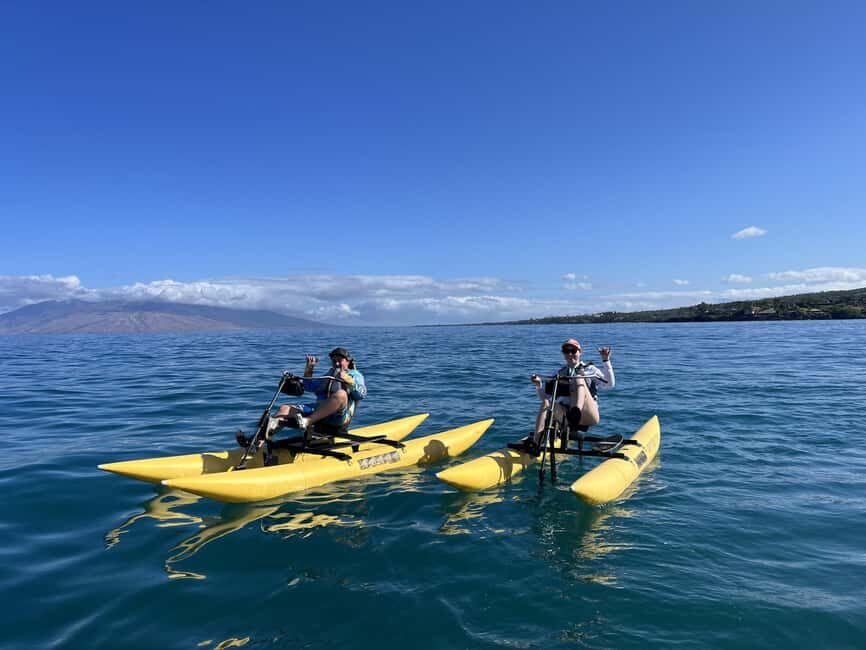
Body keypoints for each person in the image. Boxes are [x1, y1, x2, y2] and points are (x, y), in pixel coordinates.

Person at [236, 347, 367, 450]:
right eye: (334, 360)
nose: (337, 363)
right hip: (320, 411)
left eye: (340, 360)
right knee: (285, 409)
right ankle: (257, 440)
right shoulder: (330, 373)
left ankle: (307, 421)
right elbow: (309, 386)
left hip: (339, 417)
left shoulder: (355, 375)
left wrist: (349, 381)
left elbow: (361, 394)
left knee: (341, 394)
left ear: (347, 361)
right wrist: (309, 368)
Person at [526, 338, 614, 454]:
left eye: (573, 350)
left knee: (578, 377)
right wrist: (538, 386)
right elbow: (547, 399)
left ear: (580, 352)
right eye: (567, 351)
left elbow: (609, 384)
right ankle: (536, 444)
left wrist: (605, 360)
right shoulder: (559, 373)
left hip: (587, 415)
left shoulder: (590, 369)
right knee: (547, 404)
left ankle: (575, 412)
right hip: (566, 417)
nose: (570, 354)